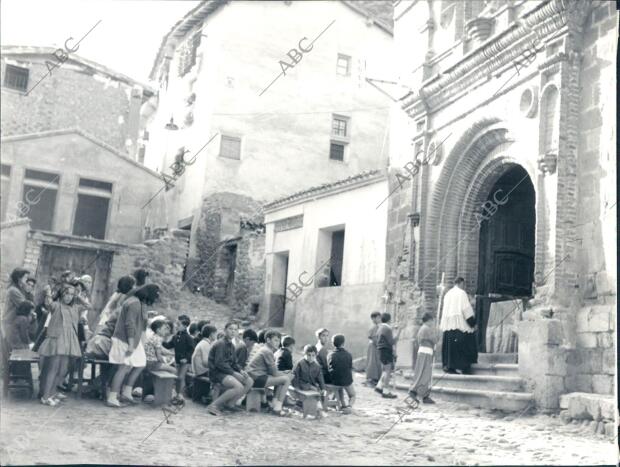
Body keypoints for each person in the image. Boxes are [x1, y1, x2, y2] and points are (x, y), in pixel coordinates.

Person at [107, 283, 160, 407]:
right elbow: (129, 324)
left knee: (141, 364)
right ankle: (112, 397)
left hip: (133, 340)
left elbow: (140, 325)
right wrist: (131, 344)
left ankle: (126, 392)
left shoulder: (139, 303)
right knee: (123, 367)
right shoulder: (134, 303)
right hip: (125, 340)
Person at [37, 284, 82, 406]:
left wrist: (78, 296)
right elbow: (48, 303)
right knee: (53, 368)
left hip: (69, 341)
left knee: (62, 371)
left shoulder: (74, 308)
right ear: (62, 294)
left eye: (72, 295)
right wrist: (48, 292)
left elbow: (89, 306)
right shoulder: (56, 306)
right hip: (57, 340)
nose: (69, 297)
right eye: (66, 293)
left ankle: (52, 393)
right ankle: (45, 396)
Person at [206, 322, 253, 416]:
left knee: (249, 381)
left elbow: (234, 363)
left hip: (226, 372)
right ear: (225, 330)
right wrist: (234, 373)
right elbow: (219, 363)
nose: (233, 331)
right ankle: (213, 405)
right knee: (238, 386)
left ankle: (230, 404)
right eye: (230, 329)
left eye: (235, 330)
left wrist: (240, 371)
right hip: (216, 373)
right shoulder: (221, 344)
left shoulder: (231, 345)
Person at [246, 330, 293, 416]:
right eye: (275, 340)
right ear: (268, 340)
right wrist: (286, 374)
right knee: (286, 380)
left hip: (255, 376)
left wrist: (282, 373)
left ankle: (274, 405)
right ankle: (278, 408)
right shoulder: (267, 351)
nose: (277, 343)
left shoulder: (265, 349)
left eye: (279, 341)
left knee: (282, 379)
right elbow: (274, 373)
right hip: (255, 378)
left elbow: (272, 371)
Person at [439, 277, 477, 375]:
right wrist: (472, 323)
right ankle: (462, 367)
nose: (464, 287)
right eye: (464, 285)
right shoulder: (462, 293)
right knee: (465, 342)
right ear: (461, 283)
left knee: (450, 347)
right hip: (459, 327)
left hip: (449, 326)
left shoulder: (447, 294)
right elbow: (466, 309)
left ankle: (449, 366)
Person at [162, 314, 195, 402]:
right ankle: (177, 394)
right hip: (178, 360)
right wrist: (162, 341)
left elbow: (192, 350)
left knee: (180, 377)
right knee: (177, 377)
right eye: (176, 324)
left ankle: (180, 394)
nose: (176, 326)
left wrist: (186, 358)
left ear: (185, 326)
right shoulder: (176, 336)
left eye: (178, 324)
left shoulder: (188, 338)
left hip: (185, 361)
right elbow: (169, 345)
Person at [408, 312, 439, 404]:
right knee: (424, 374)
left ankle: (424, 395)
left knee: (423, 373)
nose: (433, 322)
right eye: (432, 321)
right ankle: (414, 391)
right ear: (429, 320)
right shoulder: (427, 329)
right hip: (426, 352)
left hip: (424, 351)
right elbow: (435, 340)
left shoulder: (422, 328)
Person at [292, 345, 326, 416]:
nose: (311, 357)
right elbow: (295, 376)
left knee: (319, 391)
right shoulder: (300, 363)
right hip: (301, 383)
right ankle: (307, 406)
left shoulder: (316, 366)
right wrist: (297, 387)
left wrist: (323, 388)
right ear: (305, 354)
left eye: (313, 355)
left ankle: (318, 408)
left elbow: (320, 378)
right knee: (312, 389)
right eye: (309, 355)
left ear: (315, 355)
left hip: (311, 384)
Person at [327, 334, 356, 413]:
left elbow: (329, 367)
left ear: (333, 344)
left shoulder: (330, 355)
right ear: (343, 343)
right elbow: (350, 368)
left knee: (339, 387)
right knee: (352, 395)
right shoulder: (349, 355)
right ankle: (349, 406)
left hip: (335, 381)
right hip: (346, 380)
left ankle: (341, 404)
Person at [191, 325, 217, 402]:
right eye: (215, 334)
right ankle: (215, 399)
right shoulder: (205, 344)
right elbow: (205, 362)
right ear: (211, 334)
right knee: (221, 376)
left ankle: (210, 395)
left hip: (198, 370)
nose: (216, 335)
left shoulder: (203, 342)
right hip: (201, 371)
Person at [374, 312, 398, 399]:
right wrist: (398, 332)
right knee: (388, 370)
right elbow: (392, 342)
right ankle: (386, 391)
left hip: (381, 349)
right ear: (389, 320)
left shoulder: (380, 328)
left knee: (385, 369)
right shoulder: (387, 329)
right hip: (386, 350)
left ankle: (379, 386)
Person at [365, 311, 382, 386]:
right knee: (372, 362)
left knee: (377, 362)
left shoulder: (379, 327)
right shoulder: (374, 327)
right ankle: (372, 378)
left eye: (379, 317)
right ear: (373, 319)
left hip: (376, 346)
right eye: (376, 318)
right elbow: (373, 337)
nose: (378, 319)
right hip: (373, 346)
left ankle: (376, 377)